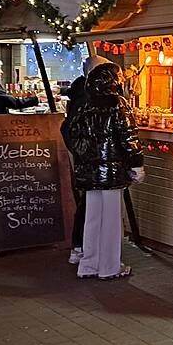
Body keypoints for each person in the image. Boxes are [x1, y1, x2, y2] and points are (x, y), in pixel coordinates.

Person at [61, 61, 143, 279]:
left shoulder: (84, 104)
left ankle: (88, 265)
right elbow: (128, 136)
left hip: (89, 172)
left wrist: (84, 157)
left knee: (93, 218)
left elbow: (71, 133)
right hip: (111, 170)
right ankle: (109, 267)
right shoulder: (117, 103)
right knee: (112, 220)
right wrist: (136, 162)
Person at [64, 54, 110, 267]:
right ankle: (82, 248)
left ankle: (83, 248)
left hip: (87, 160)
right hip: (92, 160)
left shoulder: (79, 95)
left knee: (89, 204)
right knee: (89, 204)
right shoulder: (88, 98)